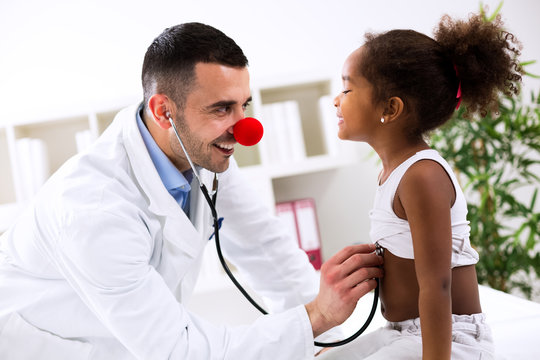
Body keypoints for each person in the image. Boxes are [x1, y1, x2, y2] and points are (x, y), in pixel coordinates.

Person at [0, 22, 384, 360]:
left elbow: (270, 254)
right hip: (44, 347)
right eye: (221, 109)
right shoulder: (92, 209)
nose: (244, 129)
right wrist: (317, 316)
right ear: (164, 111)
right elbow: (183, 351)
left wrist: (337, 343)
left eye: (244, 105)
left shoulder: (202, 153)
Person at [318, 12, 522, 360]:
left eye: (347, 88)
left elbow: (437, 283)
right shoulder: (394, 172)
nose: (337, 100)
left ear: (391, 108)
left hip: (450, 339)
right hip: (402, 331)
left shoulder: (422, 175)